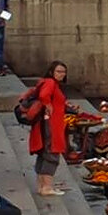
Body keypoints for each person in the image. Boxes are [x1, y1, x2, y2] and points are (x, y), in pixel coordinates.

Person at [27, 61, 71, 197]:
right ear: (52, 72)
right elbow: (44, 95)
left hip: (47, 123)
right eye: (59, 71)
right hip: (51, 124)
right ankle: (46, 187)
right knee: (52, 153)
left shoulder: (48, 82)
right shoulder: (50, 83)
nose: (62, 74)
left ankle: (42, 186)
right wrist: (48, 105)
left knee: (44, 153)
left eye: (64, 72)